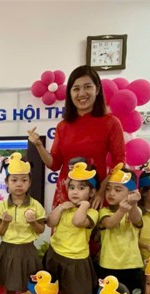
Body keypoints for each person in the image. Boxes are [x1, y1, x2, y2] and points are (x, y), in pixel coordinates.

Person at [28, 65, 125, 209]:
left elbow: (119, 163)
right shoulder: (63, 126)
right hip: (66, 196)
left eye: (87, 87)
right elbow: (54, 165)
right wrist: (38, 145)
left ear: (97, 89)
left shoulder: (111, 123)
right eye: (76, 89)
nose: (82, 93)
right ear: (70, 93)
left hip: (95, 195)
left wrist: (101, 192)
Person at [44, 162, 99, 294]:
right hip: (56, 255)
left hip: (75, 260)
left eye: (81, 188)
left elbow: (78, 221)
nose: (75, 192)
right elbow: (50, 223)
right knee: (58, 293)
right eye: (72, 187)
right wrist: (61, 207)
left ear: (92, 192)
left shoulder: (92, 212)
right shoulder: (64, 208)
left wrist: (85, 205)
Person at [0, 153, 46, 294]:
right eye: (14, 180)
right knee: (9, 287)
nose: (19, 184)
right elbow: (0, 232)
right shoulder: (2, 206)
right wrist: (5, 223)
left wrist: (33, 222)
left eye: (24, 180)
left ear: (30, 183)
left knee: (29, 288)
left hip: (27, 250)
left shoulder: (35, 205)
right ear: (7, 182)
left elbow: (40, 230)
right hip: (7, 250)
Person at [97, 164, 144, 294]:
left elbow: (136, 220)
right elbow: (109, 223)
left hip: (132, 264)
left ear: (131, 192)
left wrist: (132, 204)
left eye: (118, 190)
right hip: (108, 265)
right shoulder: (104, 211)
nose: (111, 193)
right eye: (108, 189)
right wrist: (122, 210)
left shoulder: (135, 210)